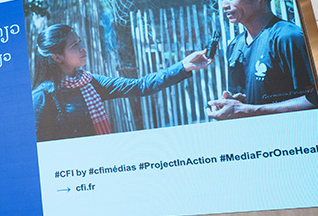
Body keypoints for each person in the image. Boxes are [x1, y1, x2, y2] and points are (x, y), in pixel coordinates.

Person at [31, 23, 211, 141]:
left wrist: (183, 66)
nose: (82, 47)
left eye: (80, 42)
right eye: (74, 45)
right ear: (57, 57)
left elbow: (140, 86)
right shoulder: (43, 97)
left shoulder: (90, 83)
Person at [208, 0, 318, 119]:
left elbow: (317, 99)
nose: (224, 5)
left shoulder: (288, 38)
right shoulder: (234, 46)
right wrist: (239, 102)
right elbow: (260, 99)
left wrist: (250, 110)